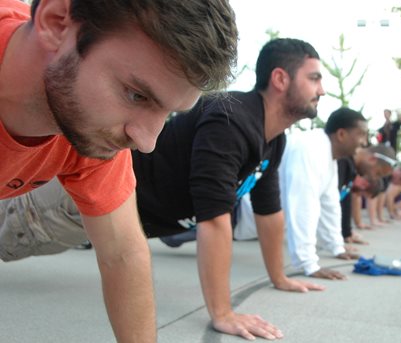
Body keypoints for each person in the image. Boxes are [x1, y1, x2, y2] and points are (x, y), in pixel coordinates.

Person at [1, 38, 325, 340]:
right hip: (79, 202)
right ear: (281, 79)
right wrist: (223, 313)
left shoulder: (273, 141)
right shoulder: (232, 119)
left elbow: (269, 213)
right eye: (314, 78)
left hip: (113, 215)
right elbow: (215, 219)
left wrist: (280, 277)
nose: (321, 90)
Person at [0, 0, 238, 341]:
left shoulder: (89, 127)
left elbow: (123, 254)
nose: (146, 142)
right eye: (136, 95)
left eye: (168, 114)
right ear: (56, 22)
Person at [278, 107, 368, 279]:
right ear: (341, 134)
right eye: (361, 134)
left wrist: (337, 247)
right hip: (239, 218)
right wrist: (309, 264)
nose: (365, 142)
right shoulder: (310, 148)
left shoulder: (327, 153)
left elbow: (330, 204)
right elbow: (303, 206)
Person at [338, 145, 395, 242]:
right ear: (372, 159)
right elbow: (329, 205)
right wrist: (336, 245)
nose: (374, 178)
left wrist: (346, 233)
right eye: (377, 173)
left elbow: (344, 202)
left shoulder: (350, 167)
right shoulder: (343, 161)